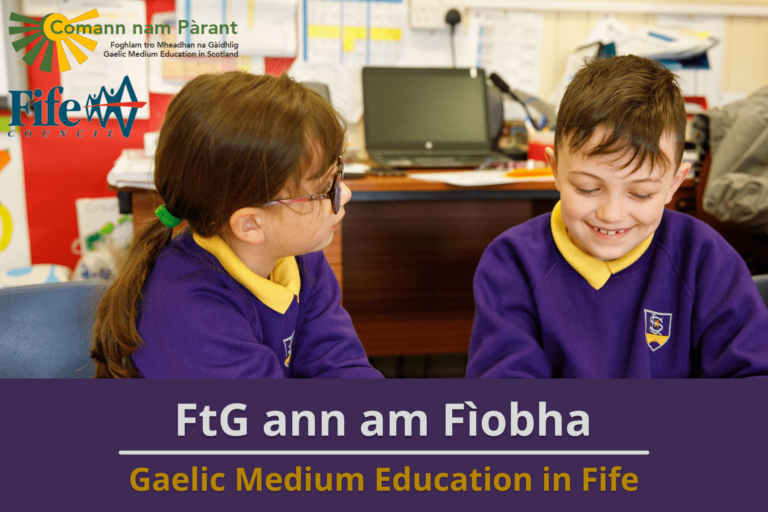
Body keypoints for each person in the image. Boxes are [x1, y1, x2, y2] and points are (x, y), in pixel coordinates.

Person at [466, 55, 768, 378]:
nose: (611, 215)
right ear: (555, 170)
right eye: (586, 188)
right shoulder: (512, 263)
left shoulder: (706, 258)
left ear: (673, 184)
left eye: (640, 194)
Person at [91, 72, 382, 379]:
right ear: (251, 226)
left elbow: (344, 367)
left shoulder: (300, 257)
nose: (345, 194)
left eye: (338, 175)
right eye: (326, 190)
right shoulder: (190, 312)